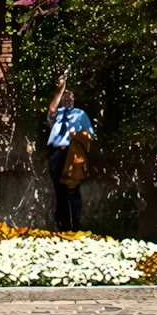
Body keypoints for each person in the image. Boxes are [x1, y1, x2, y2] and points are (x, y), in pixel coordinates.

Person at [46, 74, 94, 231]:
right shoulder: (57, 114)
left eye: (71, 98)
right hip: (57, 153)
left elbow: (90, 136)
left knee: (72, 189)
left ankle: (77, 226)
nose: (68, 100)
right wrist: (61, 88)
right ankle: (63, 227)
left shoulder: (80, 114)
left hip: (73, 153)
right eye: (65, 97)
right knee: (59, 190)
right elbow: (52, 108)